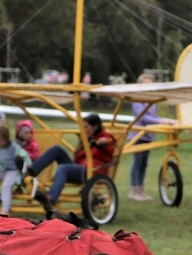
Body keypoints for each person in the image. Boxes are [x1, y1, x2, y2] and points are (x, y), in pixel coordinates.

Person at [30, 113, 116, 212]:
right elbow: (77, 158)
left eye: (86, 127)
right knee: (57, 149)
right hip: (80, 169)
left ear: (95, 127)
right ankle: (32, 170)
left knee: (63, 167)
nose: (83, 130)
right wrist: (80, 146)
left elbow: (107, 142)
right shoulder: (86, 139)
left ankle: (50, 199)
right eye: (82, 127)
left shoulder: (106, 138)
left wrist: (99, 143)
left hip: (93, 172)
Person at [128, 72, 177, 201]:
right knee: (137, 162)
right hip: (138, 135)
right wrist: (161, 121)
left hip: (148, 136)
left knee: (144, 163)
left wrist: (164, 120)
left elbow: (153, 117)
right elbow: (143, 117)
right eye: (146, 84)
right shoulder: (136, 100)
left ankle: (141, 190)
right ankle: (134, 190)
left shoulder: (152, 101)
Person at [0, 125, 32, 216]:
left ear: (6, 139)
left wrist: (22, 174)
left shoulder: (15, 148)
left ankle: (5, 210)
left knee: (6, 185)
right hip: (3, 169)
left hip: (14, 171)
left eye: (1, 140)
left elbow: (27, 161)